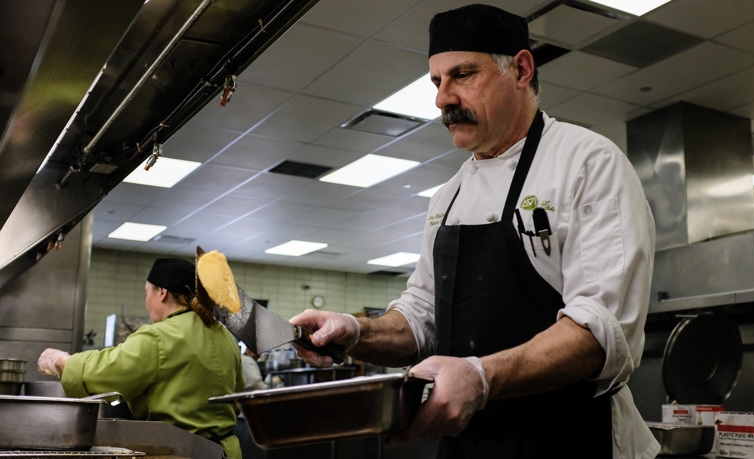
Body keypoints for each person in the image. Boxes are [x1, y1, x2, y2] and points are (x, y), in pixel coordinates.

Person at [290, 4, 659, 458]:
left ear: (522, 70)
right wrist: (354, 333)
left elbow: (601, 332)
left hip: (570, 440)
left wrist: (482, 377)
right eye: (436, 82)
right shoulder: (446, 198)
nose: (443, 98)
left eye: (462, 75)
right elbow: (423, 317)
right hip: (471, 446)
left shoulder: (587, 164)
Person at [38, 258, 244, 459]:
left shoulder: (159, 336)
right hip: (226, 452)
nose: (146, 303)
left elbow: (107, 371)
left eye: (147, 293)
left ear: (162, 293)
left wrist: (60, 360)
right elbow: (237, 396)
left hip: (182, 451)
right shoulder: (225, 336)